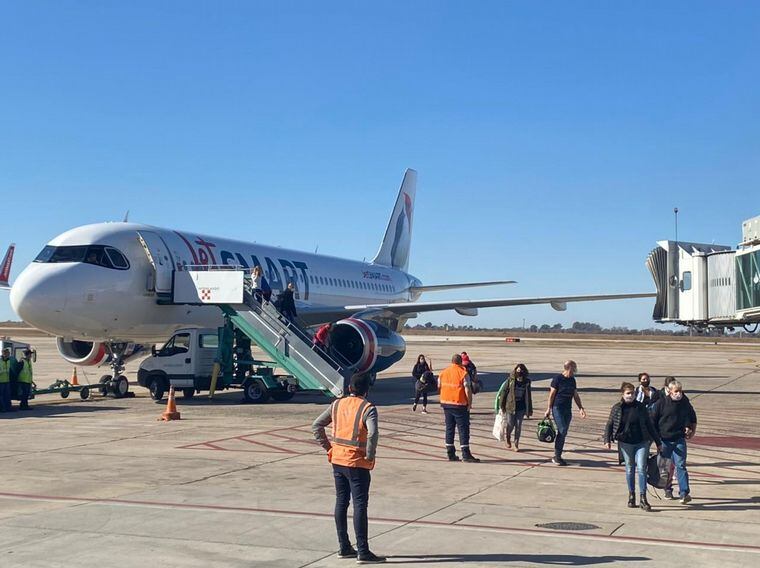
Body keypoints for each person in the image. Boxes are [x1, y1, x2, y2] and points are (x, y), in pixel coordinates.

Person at [312, 374, 385, 564]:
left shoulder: (337, 404)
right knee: (360, 505)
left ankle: (344, 547)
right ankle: (363, 551)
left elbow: (316, 425)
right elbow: (373, 432)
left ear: (350, 387)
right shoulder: (368, 408)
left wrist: (329, 447)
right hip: (357, 463)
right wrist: (370, 454)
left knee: (341, 502)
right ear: (366, 389)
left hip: (337, 461)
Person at [604, 382, 662, 511]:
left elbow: (649, 425)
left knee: (641, 468)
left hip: (641, 441)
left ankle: (643, 497)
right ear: (623, 394)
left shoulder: (641, 407)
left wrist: (658, 442)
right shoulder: (617, 408)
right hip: (625, 442)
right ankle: (631, 494)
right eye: (628, 393)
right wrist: (607, 439)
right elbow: (609, 423)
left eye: (633, 393)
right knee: (629, 468)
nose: (631, 396)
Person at [651, 379, 697, 504]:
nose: (679, 394)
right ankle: (667, 489)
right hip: (665, 440)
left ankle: (684, 493)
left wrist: (689, 428)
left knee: (681, 465)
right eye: (676, 391)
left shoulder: (684, 402)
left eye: (680, 391)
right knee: (665, 467)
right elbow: (652, 421)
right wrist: (656, 440)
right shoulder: (661, 403)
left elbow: (690, 416)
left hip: (679, 439)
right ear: (670, 392)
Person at [544, 360, 587, 466]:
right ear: (569, 368)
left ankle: (557, 455)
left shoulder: (572, 380)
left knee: (563, 432)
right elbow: (552, 394)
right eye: (574, 368)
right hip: (557, 407)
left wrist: (581, 408)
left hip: (568, 409)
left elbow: (575, 395)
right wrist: (548, 408)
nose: (576, 370)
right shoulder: (557, 379)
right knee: (562, 429)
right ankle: (557, 456)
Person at [438, 354, 479, 462]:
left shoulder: (443, 372)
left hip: (446, 404)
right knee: (463, 429)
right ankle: (466, 454)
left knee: (449, 428)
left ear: (452, 362)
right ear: (460, 362)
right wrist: (469, 403)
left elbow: (439, 386)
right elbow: (467, 389)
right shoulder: (463, 373)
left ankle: (450, 453)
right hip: (459, 404)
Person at [496, 363, 533, 451]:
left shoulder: (527, 382)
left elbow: (528, 396)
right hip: (510, 406)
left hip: (521, 407)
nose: (519, 372)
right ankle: (508, 436)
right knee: (510, 424)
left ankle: (516, 443)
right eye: (518, 370)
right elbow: (504, 392)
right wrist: (501, 405)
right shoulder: (511, 380)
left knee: (518, 425)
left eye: (521, 371)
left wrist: (529, 409)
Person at [0, 348, 17, 413]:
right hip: (1, 381)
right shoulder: (0, 361)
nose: (9, 354)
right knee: (1, 396)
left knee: (7, 395)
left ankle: (8, 407)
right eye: (7, 353)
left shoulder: (8, 361)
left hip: (7, 381)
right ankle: (2, 408)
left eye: (9, 353)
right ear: (3, 353)